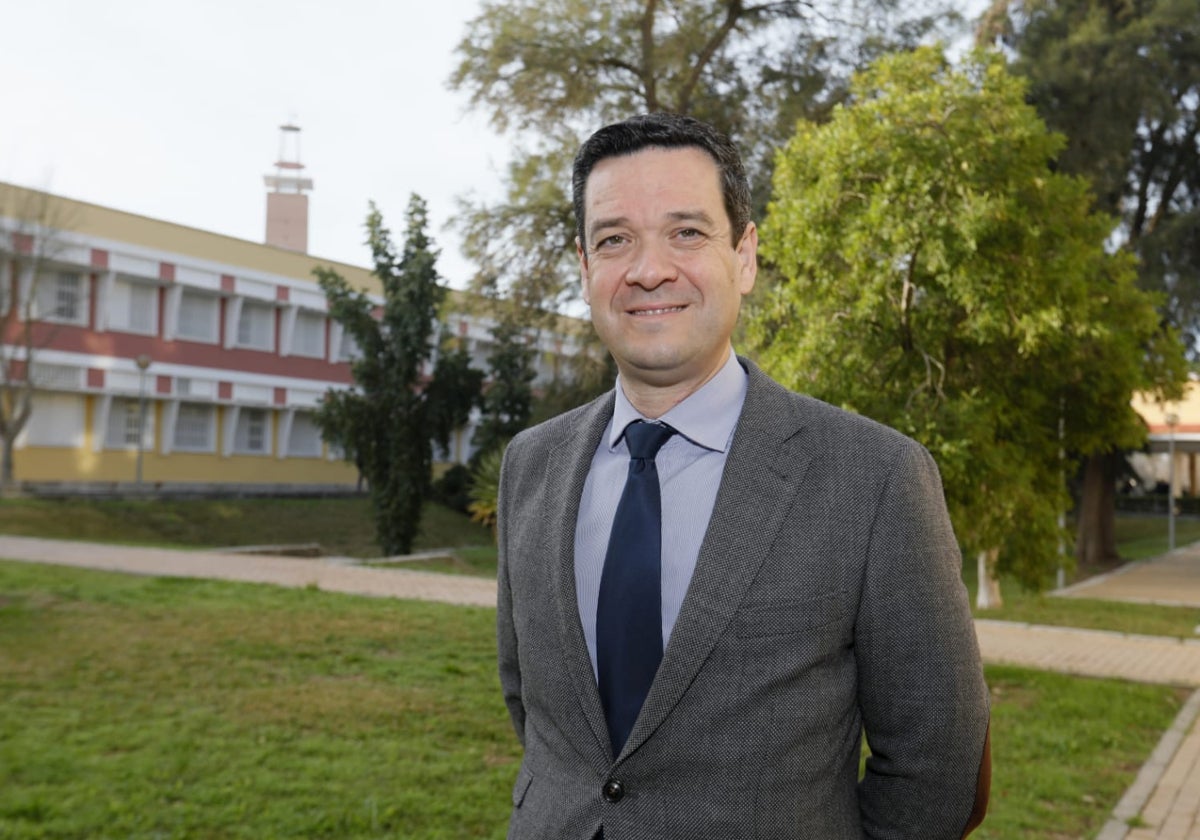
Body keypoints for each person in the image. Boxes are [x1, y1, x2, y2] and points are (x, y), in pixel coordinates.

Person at [495, 112, 991, 839]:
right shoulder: (529, 465)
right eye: (614, 240)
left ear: (746, 256)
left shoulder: (876, 476)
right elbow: (532, 708)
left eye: (687, 232)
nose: (648, 268)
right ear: (584, 267)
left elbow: (938, 762)